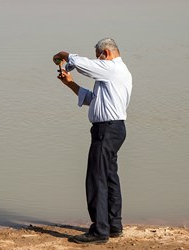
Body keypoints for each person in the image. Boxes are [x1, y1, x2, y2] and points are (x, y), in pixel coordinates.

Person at [53, 38, 132, 244]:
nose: (98, 61)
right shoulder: (115, 73)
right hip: (113, 129)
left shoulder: (113, 68)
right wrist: (69, 83)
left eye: (99, 57)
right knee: (109, 177)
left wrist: (65, 55)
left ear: (105, 54)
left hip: (107, 130)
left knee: (96, 178)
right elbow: (92, 99)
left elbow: (85, 65)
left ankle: (100, 231)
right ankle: (114, 226)